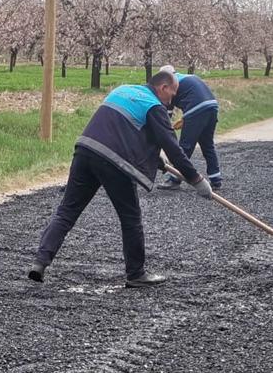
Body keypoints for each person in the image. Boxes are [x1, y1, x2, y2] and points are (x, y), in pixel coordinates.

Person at [28, 70, 212, 288]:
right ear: (163, 88)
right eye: (172, 94)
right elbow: (173, 148)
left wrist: (158, 161)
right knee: (130, 217)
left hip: (85, 150)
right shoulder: (155, 106)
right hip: (113, 161)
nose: (173, 101)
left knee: (67, 211)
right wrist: (197, 179)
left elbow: (122, 129)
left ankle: (40, 263)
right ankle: (136, 274)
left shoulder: (123, 90)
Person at [154, 66, 222, 192]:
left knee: (185, 146)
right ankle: (216, 179)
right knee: (207, 144)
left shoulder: (170, 84)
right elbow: (196, 96)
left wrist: (165, 128)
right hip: (212, 106)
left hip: (195, 110)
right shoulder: (188, 77)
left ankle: (174, 179)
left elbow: (167, 112)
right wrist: (185, 119)